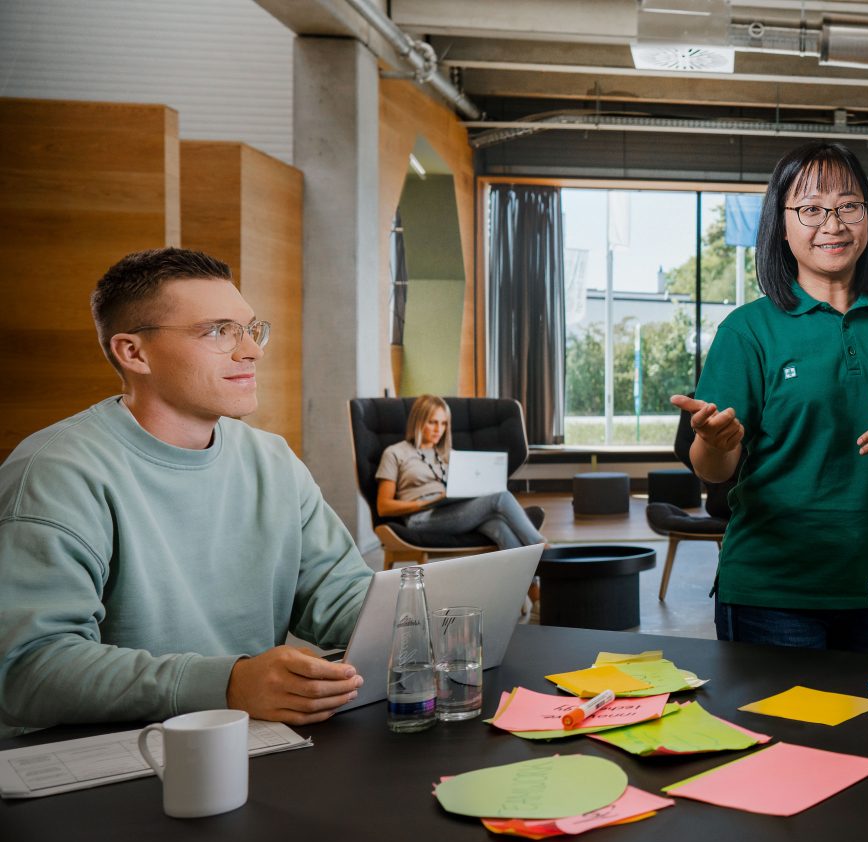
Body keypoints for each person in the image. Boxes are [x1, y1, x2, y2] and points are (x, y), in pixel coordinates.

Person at [0, 248, 371, 734]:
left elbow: (339, 596)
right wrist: (227, 683)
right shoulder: (55, 471)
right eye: (219, 331)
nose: (252, 351)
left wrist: (424, 624)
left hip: (242, 739)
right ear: (133, 352)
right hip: (107, 756)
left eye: (250, 329)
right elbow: (29, 668)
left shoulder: (272, 459)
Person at [670, 142, 868, 653]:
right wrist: (717, 441)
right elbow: (713, 471)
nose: (833, 223)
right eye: (810, 208)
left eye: (849, 205)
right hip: (771, 595)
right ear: (781, 226)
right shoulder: (748, 330)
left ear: (867, 219)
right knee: (784, 736)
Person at [373, 393, 545, 549]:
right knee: (501, 496)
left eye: (443, 423)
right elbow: (383, 507)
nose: (438, 429)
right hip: (421, 517)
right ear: (418, 421)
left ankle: (528, 581)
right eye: (432, 422)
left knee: (498, 525)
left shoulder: (450, 455)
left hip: (456, 510)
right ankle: (542, 547)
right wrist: (425, 503)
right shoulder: (395, 453)